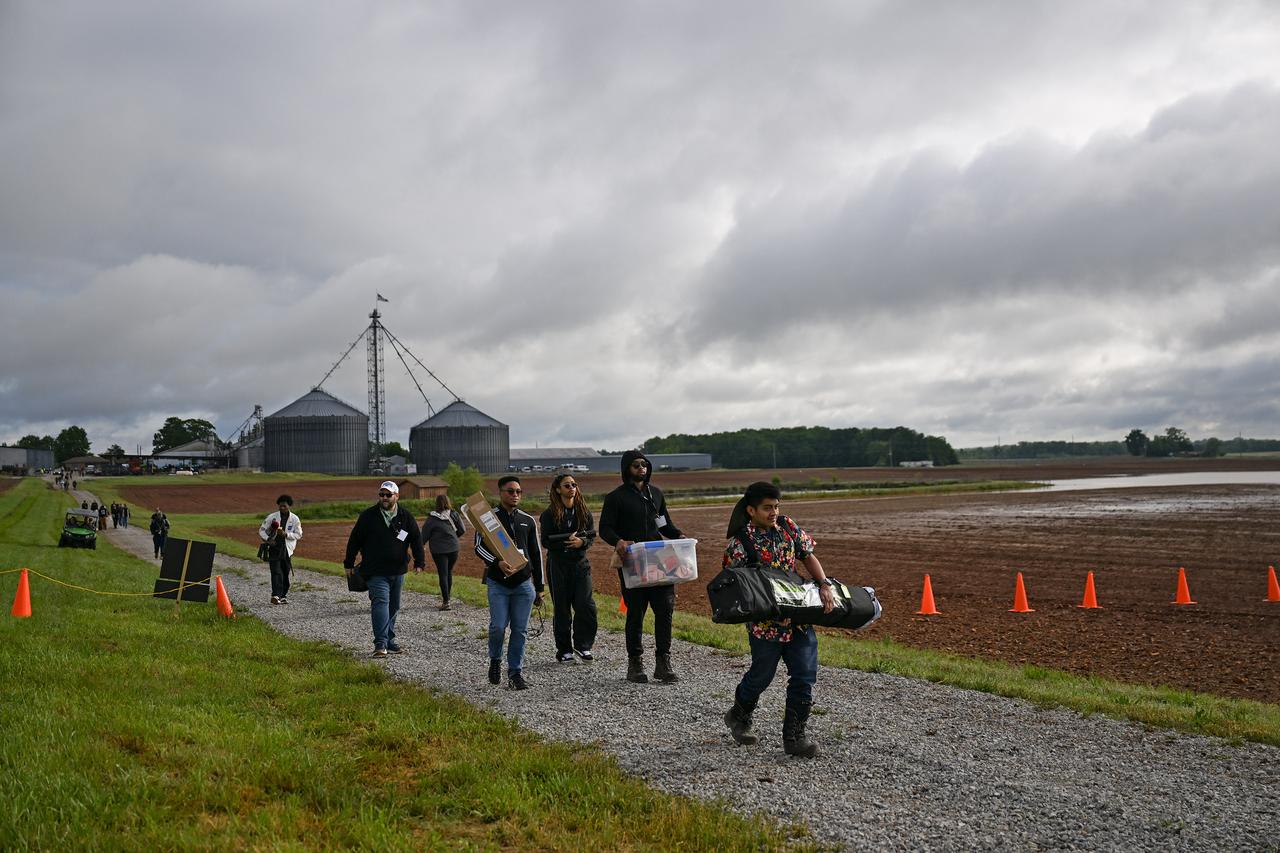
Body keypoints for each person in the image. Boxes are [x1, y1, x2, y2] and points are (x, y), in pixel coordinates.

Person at [721, 482, 835, 758]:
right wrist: (763, 610)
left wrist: (823, 584)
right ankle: (739, 714)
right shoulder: (739, 544)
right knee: (762, 676)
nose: (774, 512)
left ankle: (795, 737)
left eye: (776, 506)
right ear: (751, 510)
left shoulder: (788, 527)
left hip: (797, 617)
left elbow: (808, 556)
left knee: (804, 675)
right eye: (767, 508)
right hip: (765, 624)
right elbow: (734, 586)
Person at [599, 450, 685, 684]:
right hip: (633, 561)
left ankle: (663, 663)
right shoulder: (615, 498)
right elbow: (605, 528)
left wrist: (678, 535)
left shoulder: (655, 494)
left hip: (658, 559)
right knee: (636, 612)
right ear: (626, 468)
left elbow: (664, 524)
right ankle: (635, 663)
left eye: (644, 464)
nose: (641, 468)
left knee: (665, 610)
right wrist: (618, 541)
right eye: (636, 465)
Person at [474, 475, 543, 690]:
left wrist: (540, 587)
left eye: (518, 492)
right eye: (510, 491)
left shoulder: (528, 520)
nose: (515, 495)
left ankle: (515, 673)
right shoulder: (488, 517)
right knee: (498, 627)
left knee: (520, 630)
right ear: (500, 493)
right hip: (498, 583)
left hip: (523, 584)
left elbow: (536, 554)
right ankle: (495, 660)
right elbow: (478, 546)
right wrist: (497, 562)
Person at [343, 481, 425, 656]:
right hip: (375, 570)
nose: (384, 498)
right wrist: (348, 563)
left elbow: (416, 539)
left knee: (394, 606)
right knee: (381, 603)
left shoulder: (405, 516)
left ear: (397, 496)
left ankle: (389, 640)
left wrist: (419, 562)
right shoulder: (368, 516)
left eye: (388, 495)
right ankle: (380, 644)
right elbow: (355, 540)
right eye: (382, 494)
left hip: (398, 570)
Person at [540, 473, 598, 663]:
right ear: (558, 489)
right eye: (567, 485)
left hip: (580, 565)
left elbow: (591, 537)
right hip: (558, 565)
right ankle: (564, 650)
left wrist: (582, 542)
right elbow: (546, 541)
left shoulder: (584, 512)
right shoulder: (549, 514)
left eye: (574, 484)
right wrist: (567, 542)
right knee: (562, 609)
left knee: (586, 606)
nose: (572, 488)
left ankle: (583, 646)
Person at [421, 495, 465, 610]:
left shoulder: (432, 518)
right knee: (448, 572)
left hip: (439, 550)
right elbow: (462, 530)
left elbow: (424, 536)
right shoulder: (454, 514)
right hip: (453, 548)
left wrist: (420, 546)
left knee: (443, 574)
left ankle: (446, 602)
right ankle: (447, 599)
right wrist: (453, 537)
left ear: (436, 503)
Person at [258, 494, 303, 605]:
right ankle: (275, 595)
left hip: (287, 549)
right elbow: (262, 530)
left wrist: (286, 534)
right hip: (274, 548)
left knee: (285, 572)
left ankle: (283, 595)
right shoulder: (272, 517)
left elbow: (299, 535)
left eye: (284, 506)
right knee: (276, 571)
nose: (282, 508)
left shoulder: (294, 519)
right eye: (280, 506)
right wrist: (268, 539)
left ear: (289, 506)